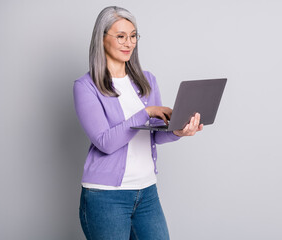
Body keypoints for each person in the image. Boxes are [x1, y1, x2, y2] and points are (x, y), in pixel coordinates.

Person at [73, 6, 203, 240]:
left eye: (133, 36)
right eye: (121, 36)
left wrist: (178, 131)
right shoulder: (86, 86)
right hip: (106, 197)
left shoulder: (146, 80)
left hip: (147, 193)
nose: (129, 43)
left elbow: (153, 134)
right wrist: (146, 112)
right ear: (102, 39)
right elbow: (105, 142)